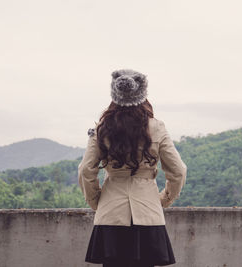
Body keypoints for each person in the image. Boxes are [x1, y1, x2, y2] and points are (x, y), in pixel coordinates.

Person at [78, 69, 187, 267]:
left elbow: (86, 170)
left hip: (110, 214)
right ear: (143, 94)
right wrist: (164, 199)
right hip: (148, 214)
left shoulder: (101, 128)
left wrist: (97, 202)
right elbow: (178, 170)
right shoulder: (157, 127)